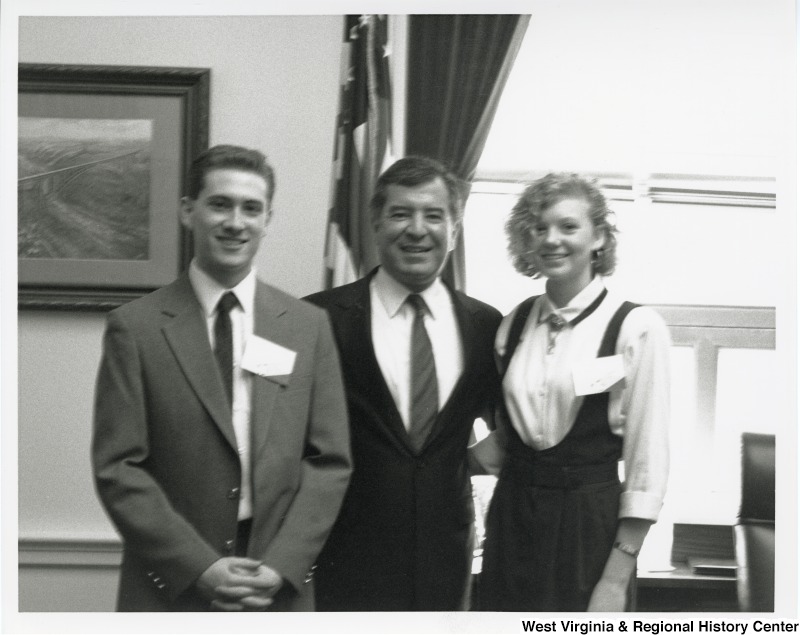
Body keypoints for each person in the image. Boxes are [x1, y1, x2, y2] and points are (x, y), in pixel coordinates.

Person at [91, 144, 352, 611]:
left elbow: (329, 461)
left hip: (277, 585)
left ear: (267, 219)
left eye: (252, 209)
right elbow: (118, 468)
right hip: (171, 587)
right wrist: (196, 566)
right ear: (189, 212)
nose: (236, 222)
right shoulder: (136, 328)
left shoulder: (308, 326)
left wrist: (284, 563)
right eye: (220, 204)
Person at [304, 156, 502, 611]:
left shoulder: (485, 325)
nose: (417, 229)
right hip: (343, 559)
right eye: (400, 213)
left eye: (434, 215)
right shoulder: (318, 319)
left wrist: (468, 461)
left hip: (446, 559)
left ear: (454, 229)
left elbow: (520, 422)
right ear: (375, 222)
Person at [474, 172, 670, 612]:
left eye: (568, 226)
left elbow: (647, 467)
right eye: (538, 228)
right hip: (512, 519)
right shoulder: (512, 325)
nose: (551, 239)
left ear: (599, 237)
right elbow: (506, 441)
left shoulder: (637, 329)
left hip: (589, 527)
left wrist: (616, 581)